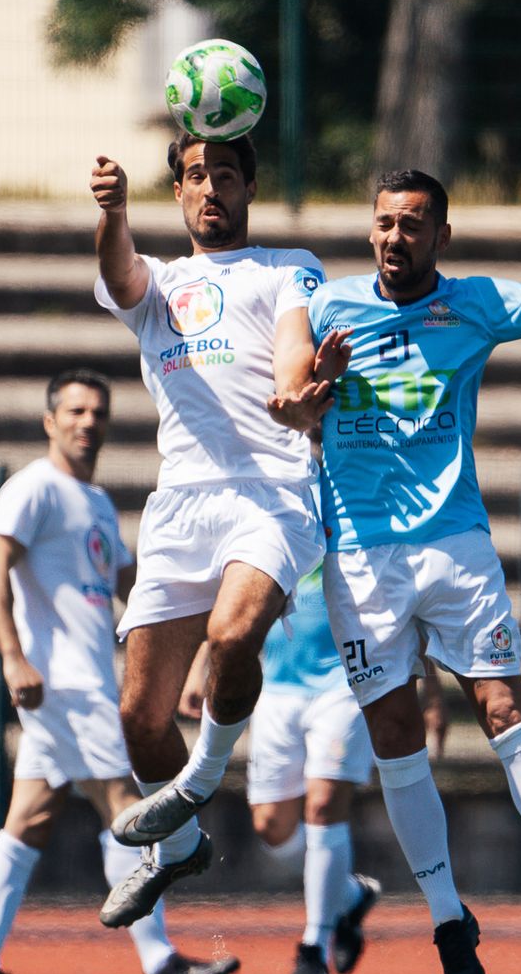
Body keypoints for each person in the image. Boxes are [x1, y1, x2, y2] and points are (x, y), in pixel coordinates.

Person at [308, 154, 521, 974]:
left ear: (439, 235)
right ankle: (450, 918)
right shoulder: (324, 306)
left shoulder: (476, 302)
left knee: (503, 708)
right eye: (384, 222)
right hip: (361, 558)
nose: (394, 237)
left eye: (412, 224)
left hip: (455, 543)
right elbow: (290, 407)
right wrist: (320, 385)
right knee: (397, 737)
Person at [88, 130, 347, 929]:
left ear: (248, 187)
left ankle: (197, 783)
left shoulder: (287, 267)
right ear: (178, 193)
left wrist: (301, 399)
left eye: (224, 175)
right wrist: (112, 210)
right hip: (180, 505)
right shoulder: (162, 284)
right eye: (195, 176)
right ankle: (181, 847)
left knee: (233, 638)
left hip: (271, 491)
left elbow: (295, 350)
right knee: (138, 724)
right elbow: (118, 274)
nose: (210, 189)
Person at [0, 370, 239, 974]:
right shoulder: (32, 488)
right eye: (75, 411)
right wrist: (12, 657)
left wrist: (194, 654)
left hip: (80, 684)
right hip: (63, 685)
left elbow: (136, 592)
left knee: (27, 823)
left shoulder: (99, 503)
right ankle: (159, 961)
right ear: (50, 421)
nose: (88, 422)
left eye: (98, 412)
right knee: (127, 805)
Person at [178, 570, 439, 974]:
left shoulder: (350, 532)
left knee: (322, 807)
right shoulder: (281, 529)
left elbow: (405, 615)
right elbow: (238, 596)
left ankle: (313, 947)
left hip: (343, 688)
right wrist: (201, 667)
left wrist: (432, 699)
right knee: (271, 827)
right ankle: (350, 896)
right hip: (276, 693)